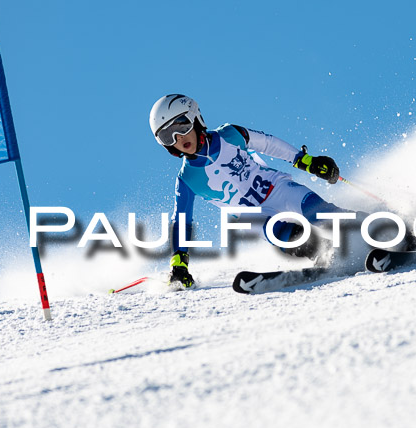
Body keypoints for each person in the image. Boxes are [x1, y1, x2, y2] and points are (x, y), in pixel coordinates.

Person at [149, 94, 355, 288]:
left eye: (181, 126)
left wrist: (305, 161)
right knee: (285, 235)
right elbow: (181, 221)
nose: (178, 137)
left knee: (319, 213)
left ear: (195, 119)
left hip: (275, 188)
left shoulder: (230, 134)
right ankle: (325, 252)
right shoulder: (187, 180)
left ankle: (369, 228)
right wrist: (179, 264)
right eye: (168, 136)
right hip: (252, 216)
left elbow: (268, 144)